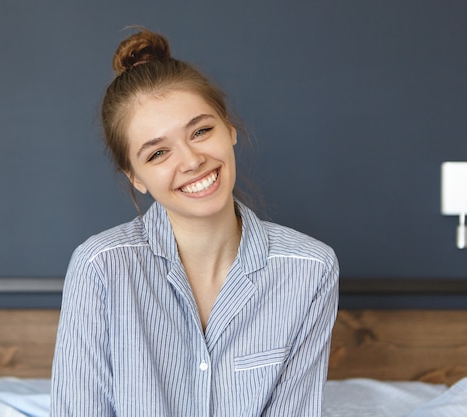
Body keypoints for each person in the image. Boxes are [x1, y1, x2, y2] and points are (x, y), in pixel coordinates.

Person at [49, 27, 339, 417]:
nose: (190, 161)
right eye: (157, 154)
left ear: (229, 129)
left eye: (201, 131)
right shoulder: (100, 268)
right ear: (135, 177)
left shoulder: (310, 270)